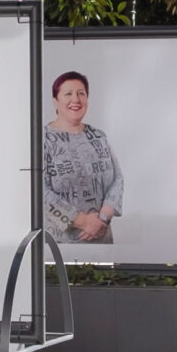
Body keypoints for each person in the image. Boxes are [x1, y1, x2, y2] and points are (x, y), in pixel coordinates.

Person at [43, 70, 124, 243]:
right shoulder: (41, 140)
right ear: (55, 101)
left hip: (102, 239)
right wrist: (83, 221)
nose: (76, 99)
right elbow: (38, 190)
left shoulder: (98, 136)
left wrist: (102, 218)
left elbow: (117, 178)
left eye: (81, 93)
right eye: (68, 94)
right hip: (60, 244)